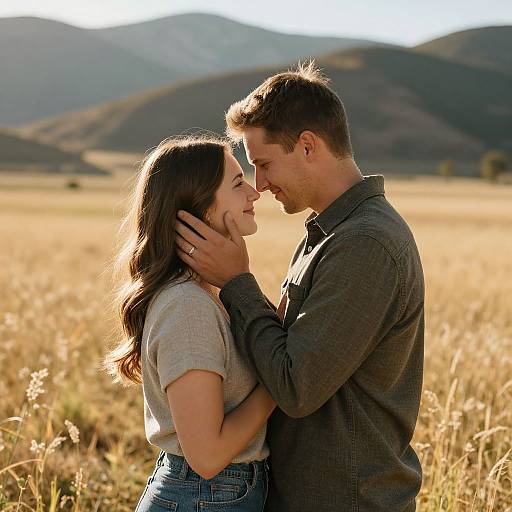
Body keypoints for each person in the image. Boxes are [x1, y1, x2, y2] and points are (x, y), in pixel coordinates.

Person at [175, 62, 425, 512]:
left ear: (308, 145)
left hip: (347, 500)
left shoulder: (365, 244)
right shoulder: (328, 232)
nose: (260, 185)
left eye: (264, 164)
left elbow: (295, 386)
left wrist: (237, 283)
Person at [105, 136, 276, 512]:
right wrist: (282, 382)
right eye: (237, 183)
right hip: (206, 495)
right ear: (199, 208)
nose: (254, 191)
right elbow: (208, 455)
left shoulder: (210, 295)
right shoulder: (187, 307)